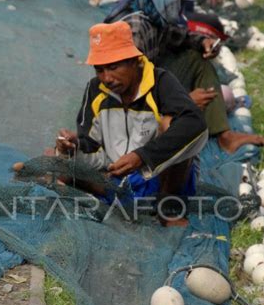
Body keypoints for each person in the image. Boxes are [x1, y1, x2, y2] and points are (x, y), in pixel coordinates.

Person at [55, 21, 208, 225]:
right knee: (53, 157)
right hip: (117, 176)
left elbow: (194, 122)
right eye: (99, 70)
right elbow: (90, 145)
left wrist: (142, 156)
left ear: (134, 60)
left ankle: (167, 208)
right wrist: (74, 146)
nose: (106, 78)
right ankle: (120, 199)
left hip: (159, 175)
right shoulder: (95, 90)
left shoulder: (160, 83)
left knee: (173, 126)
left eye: (113, 67)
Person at [107, 0, 264, 154]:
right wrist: (184, 101)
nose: (180, 8)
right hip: (130, 112)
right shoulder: (133, 30)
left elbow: (181, 36)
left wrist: (203, 43)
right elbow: (129, 95)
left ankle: (225, 136)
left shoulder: (155, 15)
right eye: (175, 2)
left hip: (151, 84)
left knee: (196, 57)